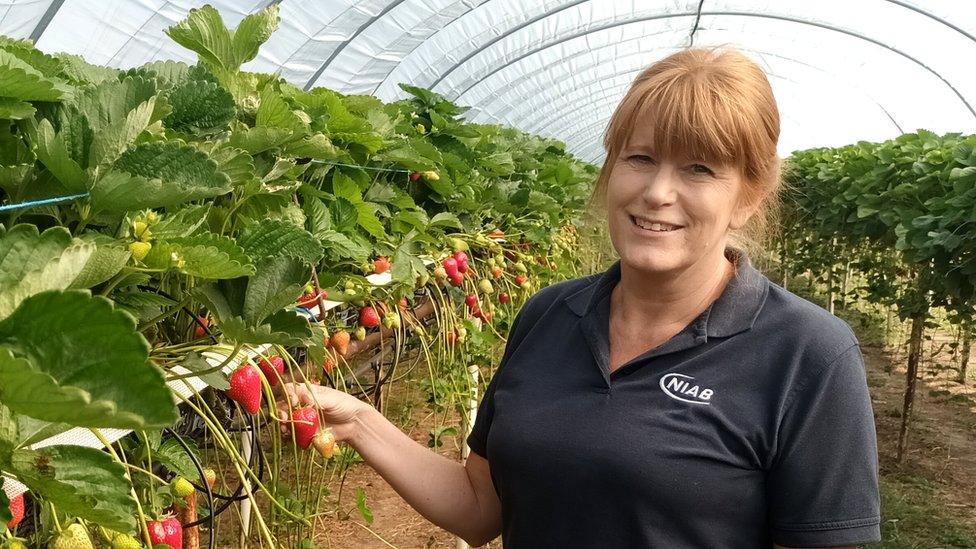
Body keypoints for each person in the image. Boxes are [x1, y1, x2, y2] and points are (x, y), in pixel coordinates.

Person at [279, 47, 881, 548]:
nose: (658, 192)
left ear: (748, 196)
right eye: (639, 158)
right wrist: (359, 421)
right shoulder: (550, 312)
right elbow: (481, 506)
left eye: (700, 169)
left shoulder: (806, 354)